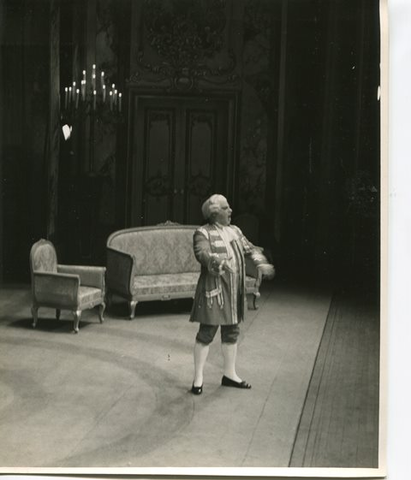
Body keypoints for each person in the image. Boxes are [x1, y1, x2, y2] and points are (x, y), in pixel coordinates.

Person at [189, 194, 275, 395]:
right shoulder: (202, 233)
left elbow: (250, 248)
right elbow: (202, 254)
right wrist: (219, 262)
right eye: (226, 208)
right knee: (207, 332)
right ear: (214, 213)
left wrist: (261, 262)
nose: (231, 211)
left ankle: (229, 374)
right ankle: (198, 378)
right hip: (216, 289)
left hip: (235, 288)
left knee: (232, 331)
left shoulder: (235, 230)